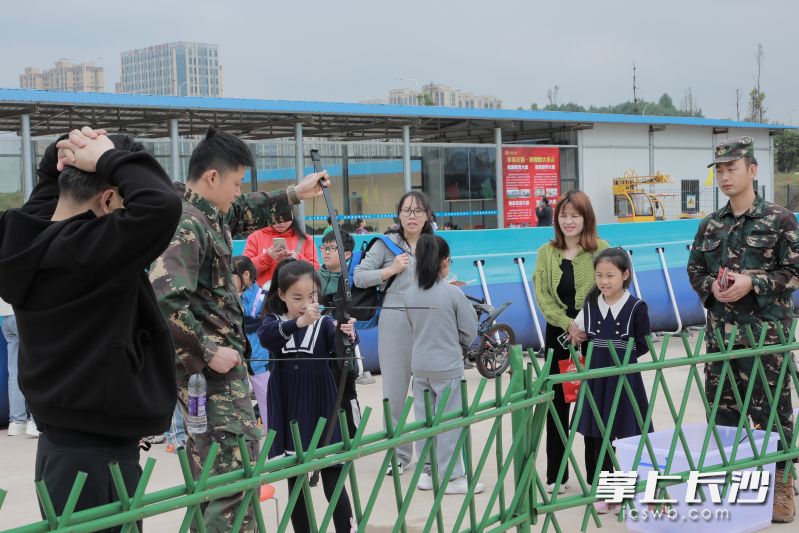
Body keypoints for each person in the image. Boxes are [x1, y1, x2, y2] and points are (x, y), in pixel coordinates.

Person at [149, 128, 330, 532]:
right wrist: (209, 350)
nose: (238, 191)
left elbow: (246, 209)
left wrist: (296, 194)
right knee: (233, 485)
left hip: (215, 376)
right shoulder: (187, 224)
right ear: (212, 177)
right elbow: (165, 300)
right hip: (212, 378)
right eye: (235, 182)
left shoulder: (207, 213)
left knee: (212, 486)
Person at [0, 127, 182, 527]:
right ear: (109, 199)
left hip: (61, 446)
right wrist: (104, 158)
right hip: (96, 455)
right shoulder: (88, 250)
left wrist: (61, 156)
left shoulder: (25, 239)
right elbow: (162, 205)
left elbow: (49, 194)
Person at [687, 136, 798, 523]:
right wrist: (710, 288)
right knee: (723, 412)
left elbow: (794, 271)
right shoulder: (710, 225)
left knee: (773, 411)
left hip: (765, 336)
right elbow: (695, 270)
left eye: (731, 168)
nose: (724, 176)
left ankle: (782, 484)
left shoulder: (780, 220)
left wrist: (754, 283)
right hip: (721, 336)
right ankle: (735, 485)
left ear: (752, 170)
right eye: (719, 169)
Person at [258, 259, 356, 532]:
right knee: (296, 478)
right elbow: (267, 338)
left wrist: (347, 331)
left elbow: (340, 342)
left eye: (311, 296)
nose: (305, 302)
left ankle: (346, 528)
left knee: (332, 474)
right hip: (289, 408)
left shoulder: (324, 322)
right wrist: (300, 321)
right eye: (297, 297)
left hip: (321, 406)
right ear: (281, 295)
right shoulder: (274, 322)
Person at [353, 191, 436, 475]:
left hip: (428, 321)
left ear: (427, 216)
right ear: (398, 214)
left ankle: (429, 457)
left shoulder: (433, 245)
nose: (412, 216)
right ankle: (399, 455)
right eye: (407, 211)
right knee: (395, 392)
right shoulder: (385, 244)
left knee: (427, 391)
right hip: (395, 321)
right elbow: (359, 276)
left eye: (418, 211)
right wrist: (390, 270)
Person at [533, 190, 608, 494]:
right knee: (558, 406)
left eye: (575, 215)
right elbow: (543, 297)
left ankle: (599, 474)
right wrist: (568, 324)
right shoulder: (546, 253)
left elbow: (609, 289)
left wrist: (584, 323)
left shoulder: (601, 249)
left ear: (586, 217)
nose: (568, 221)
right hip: (559, 336)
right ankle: (557, 474)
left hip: (595, 335)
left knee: (595, 405)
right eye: (563, 215)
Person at [571, 248, 652, 514]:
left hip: (624, 380)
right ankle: (602, 491)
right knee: (596, 437)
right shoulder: (591, 305)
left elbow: (643, 344)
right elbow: (581, 337)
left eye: (610, 276)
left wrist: (619, 351)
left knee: (626, 435)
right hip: (596, 379)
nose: (604, 281)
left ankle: (622, 491)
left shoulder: (636, 307)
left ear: (625, 275)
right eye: (599, 276)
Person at [407, 234, 484, 495]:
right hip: (447, 365)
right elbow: (470, 330)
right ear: (445, 262)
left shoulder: (411, 293)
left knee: (425, 421)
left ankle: (427, 472)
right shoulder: (452, 292)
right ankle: (453, 477)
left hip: (420, 366)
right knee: (450, 422)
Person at [318, 230, 362, 436]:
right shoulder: (313, 278)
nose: (326, 252)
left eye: (331, 248)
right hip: (320, 347)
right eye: (323, 247)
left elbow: (358, 315)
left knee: (346, 393)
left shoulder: (351, 282)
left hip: (343, 348)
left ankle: (353, 434)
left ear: (347, 255)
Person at [232, 256, 269, 428]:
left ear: (245, 274)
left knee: (267, 403)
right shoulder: (227, 298)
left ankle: (274, 437)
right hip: (233, 362)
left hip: (259, 361)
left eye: (230, 274)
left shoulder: (263, 297)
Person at [243, 212, 317, 287]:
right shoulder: (255, 238)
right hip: (263, 295)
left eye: (285, 217)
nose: (281, 222)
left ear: (292, 215)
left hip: (295, 293)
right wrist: (267, 257)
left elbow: (315, 271)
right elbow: (245, 270)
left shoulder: (305, 239)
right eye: (275, 217)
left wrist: (298, 259)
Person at [2, 297, 37, 437]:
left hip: (4, 318)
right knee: (35, 365)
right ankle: (35, 421)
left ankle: (17, 422)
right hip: (22, 314)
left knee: (14, 370)